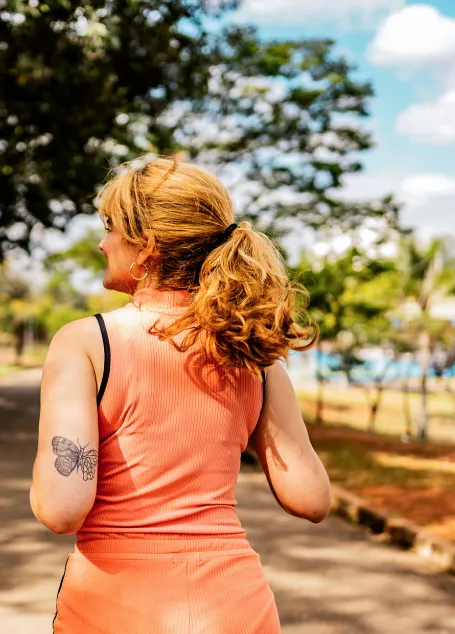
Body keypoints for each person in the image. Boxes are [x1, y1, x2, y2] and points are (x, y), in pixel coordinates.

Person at [30, 157, 331, 633]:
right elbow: (312, 498)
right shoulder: (253, 355)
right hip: (236, 605)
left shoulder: (86, 342)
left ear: (145, 247)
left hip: (117, 607)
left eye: (110, 228)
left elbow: (61, 508)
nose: (101, 242)